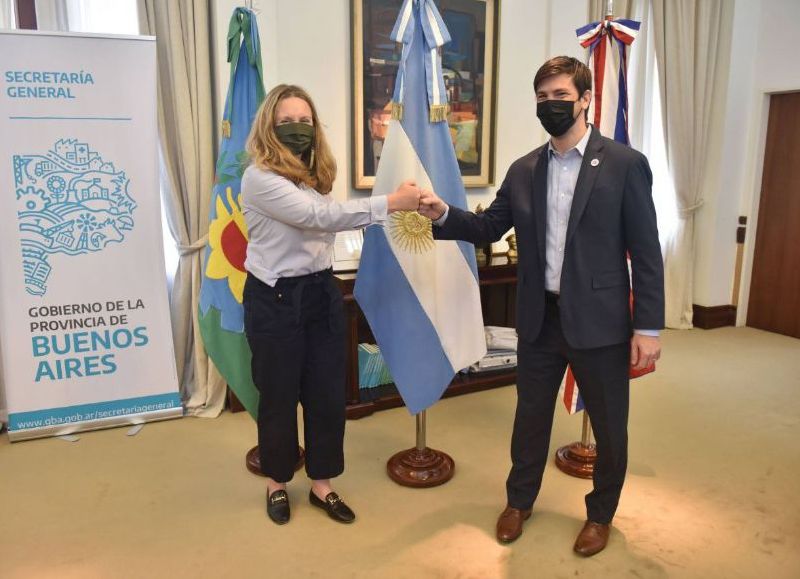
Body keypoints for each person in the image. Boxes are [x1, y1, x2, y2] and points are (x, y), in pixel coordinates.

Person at [419, 56, 664, 556]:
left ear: (586, 99)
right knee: (529, 418)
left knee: (610, 425)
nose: (551, 105)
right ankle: (519, 501)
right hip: (539, 319)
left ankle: (600, 514)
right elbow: (490, 228)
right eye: (542, 98)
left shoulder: (623, 164)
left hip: (601, 322)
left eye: (560, 96)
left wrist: (649, 328)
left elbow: (646, 251)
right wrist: (443, 213)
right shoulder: (525, 168)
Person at [241, 84, 422, 525]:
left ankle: (322, 484)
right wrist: (393, 203)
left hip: (320, 293)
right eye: (286, 122)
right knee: (279, 396)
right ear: (269, 126)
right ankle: (277, 482)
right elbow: (319, 218)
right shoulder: (259, 178)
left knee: (325, 394)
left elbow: (323, 221)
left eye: (304, 121)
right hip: (275, 298)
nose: (297, 129)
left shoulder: (313, 174)